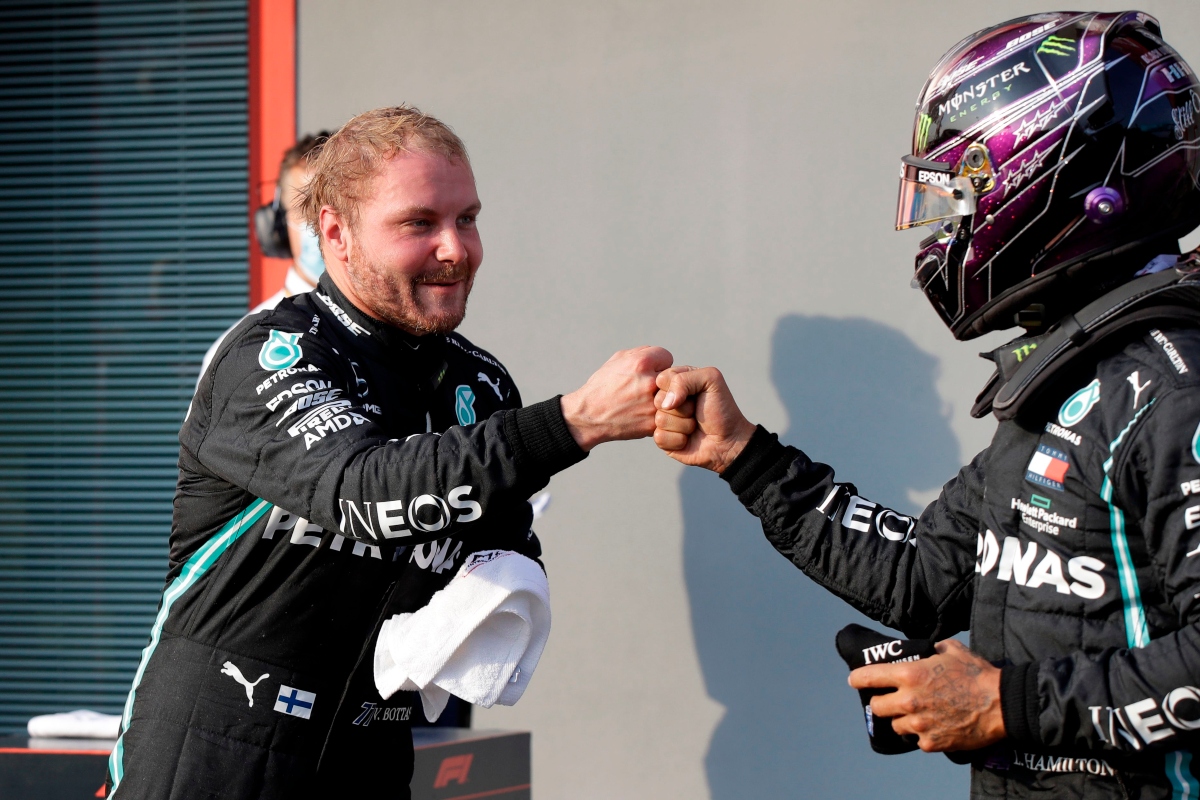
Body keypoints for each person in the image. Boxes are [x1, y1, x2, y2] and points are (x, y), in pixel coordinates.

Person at [655, 11, 1200, 799]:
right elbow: (924, 578)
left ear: (1056, 179)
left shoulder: (1171, 389)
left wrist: (1002, 703)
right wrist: (745, 456)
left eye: (962, 192)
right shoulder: (1070, 374)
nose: (948, 228)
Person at [106, 105, 672, 799]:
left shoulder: (479, 381)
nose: (456, 248)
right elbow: (364, 490)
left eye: (466, 219)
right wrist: (575, 421)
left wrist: (504, 590)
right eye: (418, 223)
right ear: (336, 234)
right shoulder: (270, 355)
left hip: (369, 752)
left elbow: (495, 544)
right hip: (216, 752)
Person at [199, 132, 331, 377]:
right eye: (306, 209)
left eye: (334, 207)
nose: (324, 224)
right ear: (277, 225)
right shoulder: (238, 350)